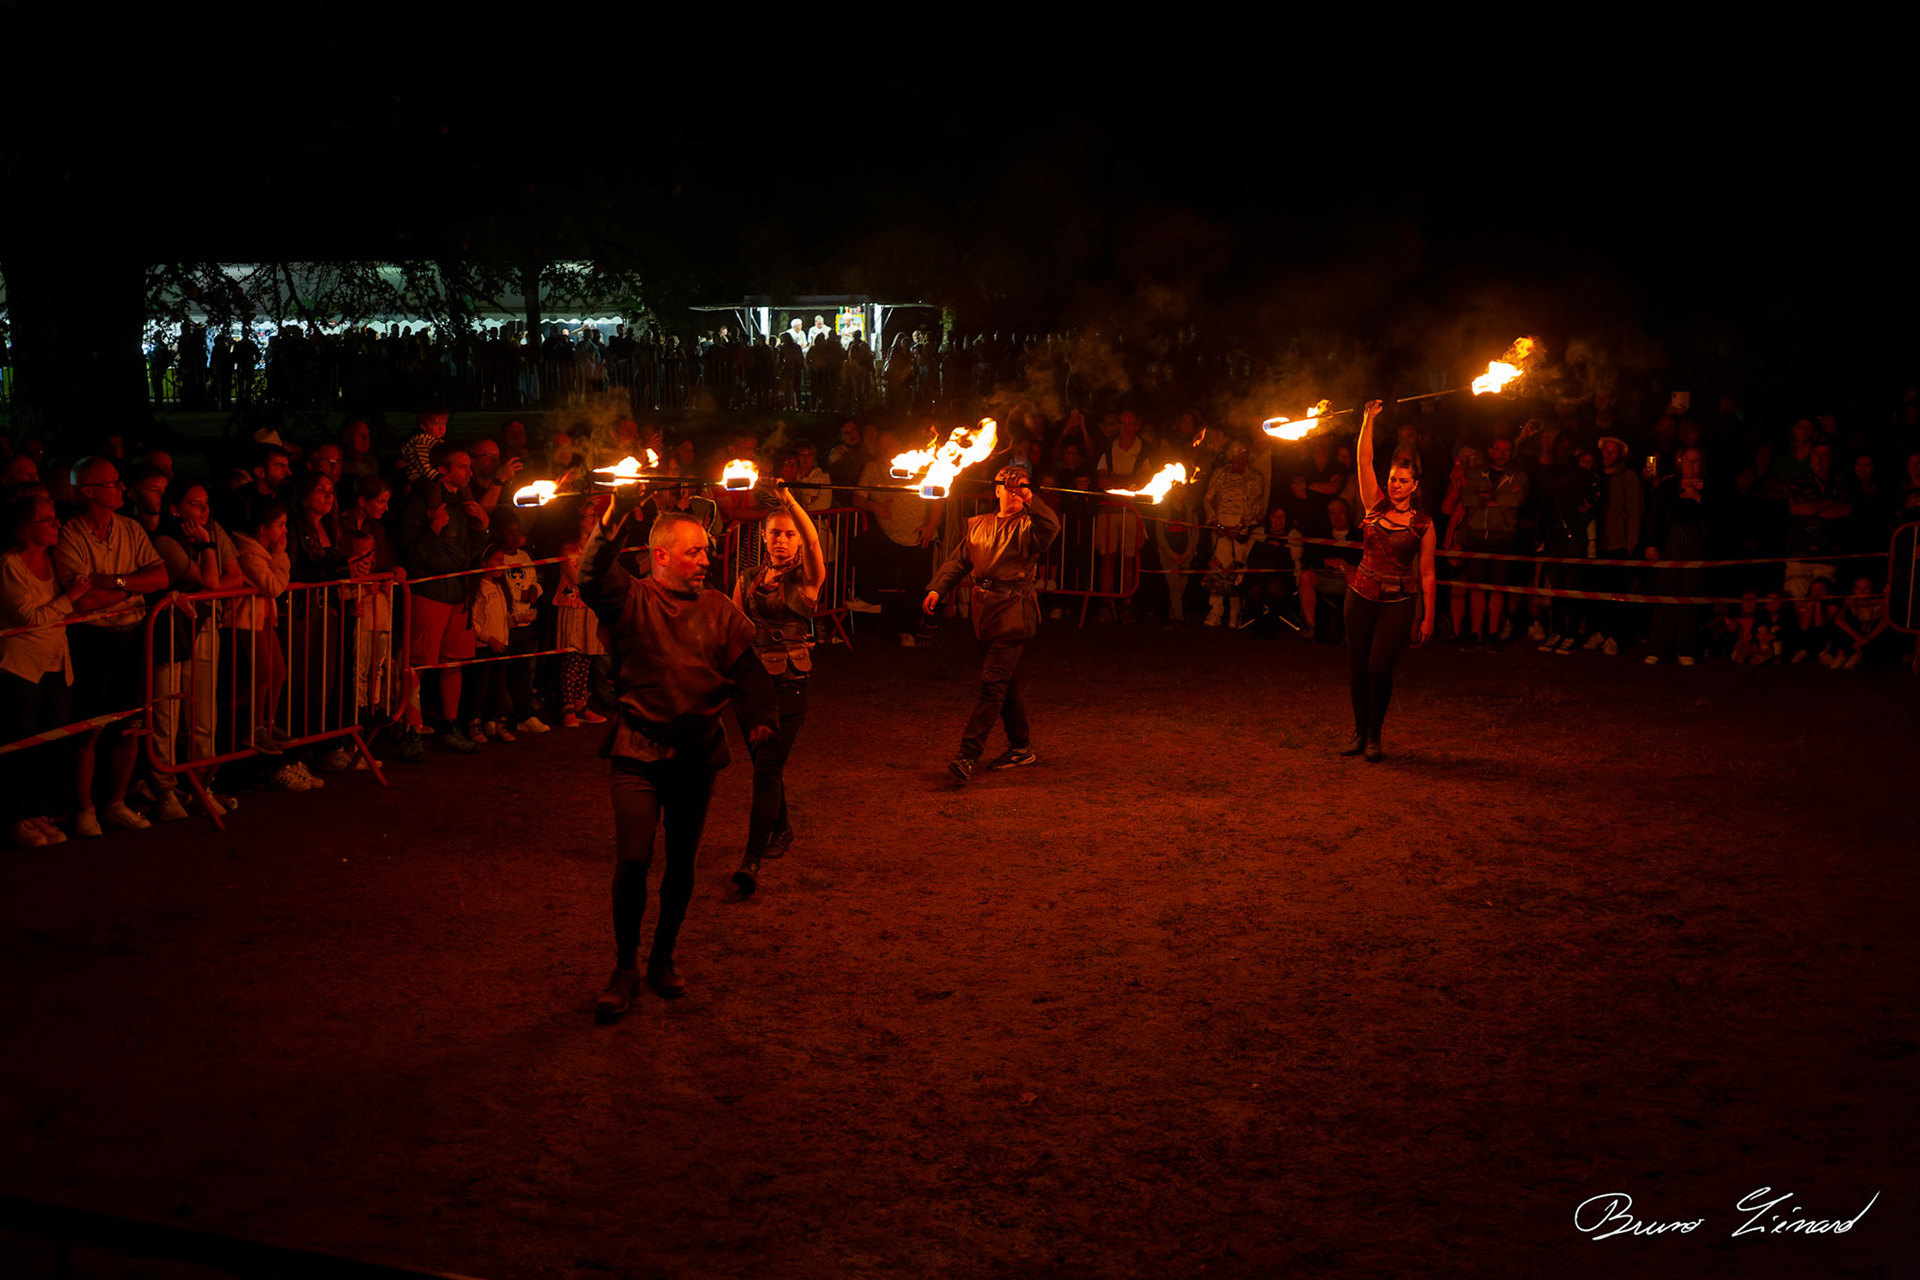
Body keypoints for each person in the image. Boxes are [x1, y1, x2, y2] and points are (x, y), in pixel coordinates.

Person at [577, 490, 778, 1019]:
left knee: (681, 865)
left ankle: (663, 957)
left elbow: (748, 672)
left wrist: (758, 720)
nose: (706, 561)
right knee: (634, 860)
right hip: (637, 751)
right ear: (660, 556)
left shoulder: (720, 611)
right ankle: (625, 967)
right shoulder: (630, 598)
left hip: (695, 755)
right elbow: (591, 573)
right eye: (694, 553)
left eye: (707, 552)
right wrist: (616, 516)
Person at [922, 466, 1063, 782]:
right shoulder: (979, 525)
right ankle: (1021, 747)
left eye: (1020, 488)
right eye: (1008, 487)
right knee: (1004, 684)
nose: (1013, 492)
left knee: (992, 685)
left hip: (1014, 612)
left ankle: (967, 756)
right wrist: (936, 587)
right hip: (983, 612)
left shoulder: (1031, 527)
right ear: (996, 490)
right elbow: (959, 561)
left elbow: (1051, 524)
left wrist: (1029, 494)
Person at [55, 457, 171, 835]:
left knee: (132, 722)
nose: (122, 488)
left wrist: (114, 582)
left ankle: (116, 802)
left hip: (131, 635)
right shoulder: (69, 536)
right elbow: (81, 601)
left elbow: (160, 577)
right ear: (88, 491)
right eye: (113, 483)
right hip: (92, 638)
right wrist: (132, 587)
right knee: (89, 725)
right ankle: (84, 807)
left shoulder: (130, 528)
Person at [730, 482, 827, 895]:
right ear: (763, 537)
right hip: (751, 689)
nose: (783, 541)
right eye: (775, 533)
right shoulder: (747, 578)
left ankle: (752, 858)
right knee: (764, 767)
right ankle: (782, 827)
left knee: (767, 769)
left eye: (790, 534)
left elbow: (813, 538)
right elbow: (733, 631)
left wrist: (789, 501)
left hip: (788, 688)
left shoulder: (808, 579)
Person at [1343, 401, 1436, 762]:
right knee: (1357, 668)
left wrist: (1428, 617)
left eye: (1402, 481)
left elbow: (1427, 572)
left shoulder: (1423, 523)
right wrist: (1367, 420)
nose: (1395, 485)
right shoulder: (1374, 507)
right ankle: (1358, 733)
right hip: (1361, 595)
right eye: (1392, 480)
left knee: (1378, 668)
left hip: (1398, 602)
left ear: (1414, 485)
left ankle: (1374, 737)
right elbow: (1363, 462)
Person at [2, 494, 86, 846]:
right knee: (22, 742)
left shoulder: (53, 560)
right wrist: (71, 599)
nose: (57, 524)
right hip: (22, 665)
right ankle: (15, 817)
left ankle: (39, 811)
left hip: (56, 662)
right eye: (48, 519)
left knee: (52, 743)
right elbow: (30, 619)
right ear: (26, 527)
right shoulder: (9, 565)